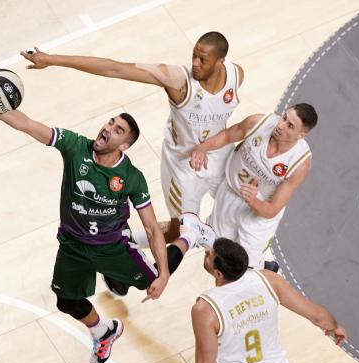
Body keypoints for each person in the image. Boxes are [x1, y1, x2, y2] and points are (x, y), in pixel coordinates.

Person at [0, 75, 208, 363]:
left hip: (112, 246)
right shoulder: (74, 146)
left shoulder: (131, 177)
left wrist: (166, 275)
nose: (108, 129)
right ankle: (104, 330)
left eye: (118, 130)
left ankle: (190, 236)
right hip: (73, 244)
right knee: (66, 302)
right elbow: (26, 123)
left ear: (125, 145)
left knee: (153, 278)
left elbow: (154, 228)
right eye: (110, 122)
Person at [21, 31, 244, 246]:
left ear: (220, 62)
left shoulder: (236, 76)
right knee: (181, 232)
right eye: (194, 55)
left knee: (246, 208)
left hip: (219, 155)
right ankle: (125, 243)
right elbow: (114, 68)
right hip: (182, 165)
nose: (195, 62)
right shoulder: (179, 80)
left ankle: (252, 263)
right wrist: (51, 59)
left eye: (203, 59)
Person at [191, 238, 347, 363]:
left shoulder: (205, 309)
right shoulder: (268, 279)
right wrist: (334, 327)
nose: (206, 252)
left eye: (209, 255)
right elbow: (317, 316)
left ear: (218, 274)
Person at [189, 104, 318, 270]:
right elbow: (228, 135)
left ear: (301, 135)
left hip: (260, 213)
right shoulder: (258, 123)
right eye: (284, 117)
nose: (280, 125)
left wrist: (253, 201)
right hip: (231, 192)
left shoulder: (300, 164)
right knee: (216, 257)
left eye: (290, 126)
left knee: (246, 271)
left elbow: (272, 210)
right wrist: (202, 148)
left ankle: (261, 268)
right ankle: (265, 265)